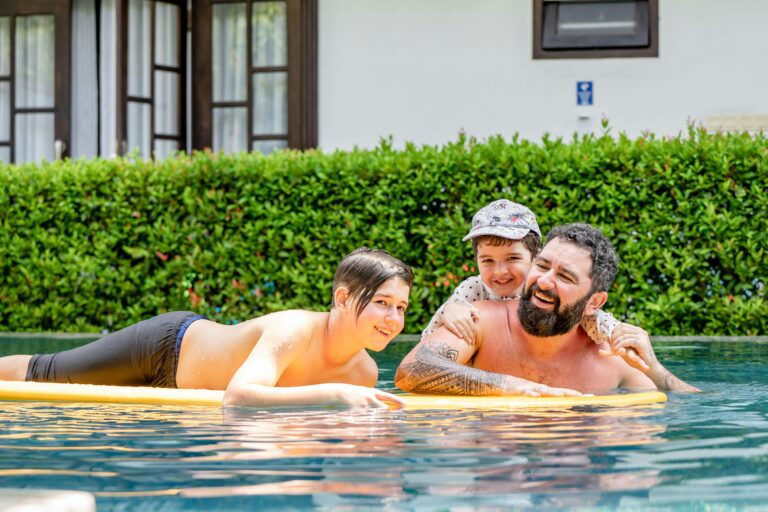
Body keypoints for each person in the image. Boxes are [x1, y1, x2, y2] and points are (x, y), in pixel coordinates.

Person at [0, 248, 413, 409]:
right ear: (343, 299)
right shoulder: (295, 330)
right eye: (381, 303)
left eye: (401, 308)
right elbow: (239, 395)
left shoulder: (363, 373)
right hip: (166, 347)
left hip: (181, 394)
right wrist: (336, 395)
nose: (393, 320)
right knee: (47, 371)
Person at [395, 223, 699, 396]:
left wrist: (656, 369)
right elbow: (411, 371)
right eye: (541, 266)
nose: (544, 281)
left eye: (565, 277)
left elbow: (693, 408)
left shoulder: (611, 358)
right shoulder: (479, 321)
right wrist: (511, 386)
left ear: (595, 302)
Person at [424, 199, 618, 346]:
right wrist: (448, 311)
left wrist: (616, 333)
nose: (500, 271)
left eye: (512, 258)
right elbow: (429, 337)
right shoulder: (474, 289)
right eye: (487, 260)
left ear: (536, 257)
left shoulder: (541, 291)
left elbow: (590, 317)